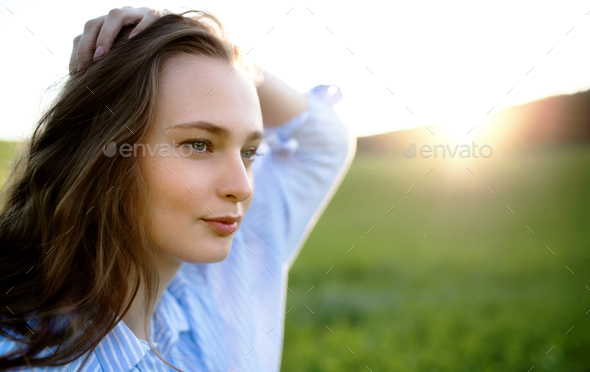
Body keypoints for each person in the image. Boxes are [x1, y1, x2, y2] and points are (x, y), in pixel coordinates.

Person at [0, 7, 355, 372]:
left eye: (249, 152)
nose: (242, 187)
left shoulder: (215, 281)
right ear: (103, 153)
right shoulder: (26, 360)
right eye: (199, 145)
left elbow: (324, 141)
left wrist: (202, 44)